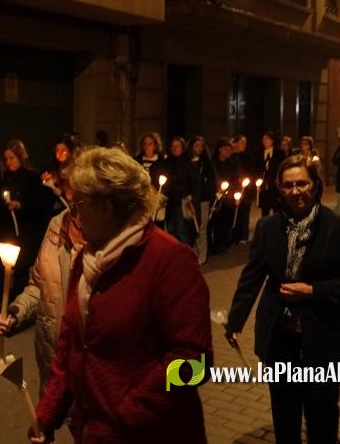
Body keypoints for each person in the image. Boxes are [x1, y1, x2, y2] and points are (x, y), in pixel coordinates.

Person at [30, 148, 212, 444]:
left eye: (79, 203)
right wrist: (47, 413)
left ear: (106, 208)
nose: (73, 214)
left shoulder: (170, 260)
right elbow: (71, 347)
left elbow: (195, 365)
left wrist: (129, 408)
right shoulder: (86, 260)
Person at [225, 155, 340, 444]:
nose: (295, 191)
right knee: (284, 409)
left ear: (314, 185)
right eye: (288, 185)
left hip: (324, 336)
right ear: (279, 188)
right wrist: (235, 319)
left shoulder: (338, 228)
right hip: (281, 338)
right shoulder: (267, 228)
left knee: (322, 412)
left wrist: (313, 291)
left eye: (301, 183)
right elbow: (252, 277)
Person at [0, 165, 85, 397]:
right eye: (69, 191)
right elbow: (39, 285)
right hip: (58, 367)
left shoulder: (160, 254)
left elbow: (188, 360)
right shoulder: (57, 226)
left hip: (100, 386)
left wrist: (163, 396)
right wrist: (15, 313)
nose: (73, 201)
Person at [0, 140, 48, 314]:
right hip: (5, 228)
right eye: (6, 159)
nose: (9, 162)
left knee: (20, 267)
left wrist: (20, 205)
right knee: (0, 264)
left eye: (12, 158)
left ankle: (18, 303)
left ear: (20, 157)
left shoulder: (32, 177)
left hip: (24, 230)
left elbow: (39, 203)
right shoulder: (5, 177)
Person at [183, 136, 216, 263]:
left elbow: (211, 180)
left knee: (202, 227)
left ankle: (202, 255)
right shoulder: (186, 162)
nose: (199, 148)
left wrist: (211, 195)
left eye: (201, 146)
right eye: (197, 145)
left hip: (203, 199)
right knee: (191, 226)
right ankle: (192, 253)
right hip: (190, 199)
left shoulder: (206, 162)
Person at [210, 137, 240, 255]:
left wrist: (235, 193)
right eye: (225, 149)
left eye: (230, 149)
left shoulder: (232, 163)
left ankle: (222, 244)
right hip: (215, 195)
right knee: (214, 221)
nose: (228, 151)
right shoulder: (213, 163)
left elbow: (236, 179)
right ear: (219, 150)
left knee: (225, 221)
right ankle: (213, 244)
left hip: (228, 196)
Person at [164, 136, 192, 245]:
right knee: (170, 230)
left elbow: (194, 182)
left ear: (182, 148)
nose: (175, 148)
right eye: (173, 146)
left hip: (182, 201)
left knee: (182, 230)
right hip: (170, 201)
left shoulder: (187, 163)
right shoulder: (167, 162)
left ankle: (186, 254)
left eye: (178, 146)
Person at [41, 135, 74, 215]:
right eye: (57, 151)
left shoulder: (75, 170)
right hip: (54, 212)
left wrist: (62, 193)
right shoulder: (52, 168)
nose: (59, 154)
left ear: (70, 151)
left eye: (63, 151)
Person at [258, 132, 285, 216]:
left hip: (275, 186)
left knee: (276, 209)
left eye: (266, 139)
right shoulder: (259, 153)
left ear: (272, 140)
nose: (264, 141)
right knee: (264, 210)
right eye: (263, 139)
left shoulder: (279, 153)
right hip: (263, 186)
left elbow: (282, 167)